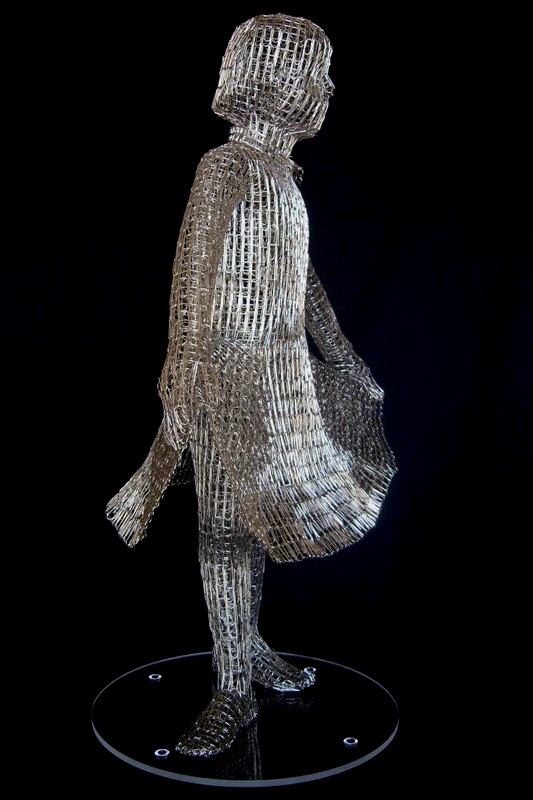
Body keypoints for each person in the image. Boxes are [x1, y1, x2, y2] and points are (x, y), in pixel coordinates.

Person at [106, 13, 396, 758]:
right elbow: (194, 277)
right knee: (224, 527)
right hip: (223, 379)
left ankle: (250, 646)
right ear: (278, 80)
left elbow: (304, 282)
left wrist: (344, 357)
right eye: (317, 73)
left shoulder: (279, 176)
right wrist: (184, 382)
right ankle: (231, 686)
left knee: (258, 519)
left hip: (278, 382)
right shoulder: (226, 166)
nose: (327, 89)